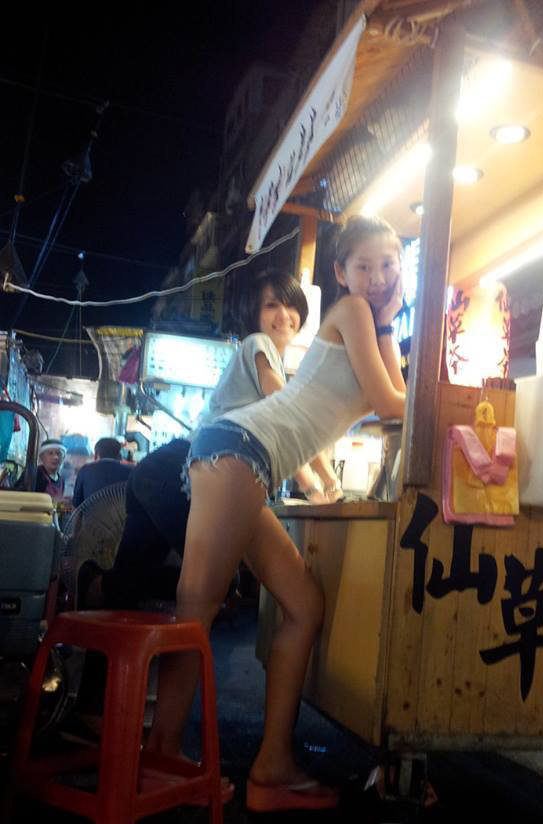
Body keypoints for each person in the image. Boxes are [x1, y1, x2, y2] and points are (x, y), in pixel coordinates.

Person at [146, 215, 406, 813]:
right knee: (197, 606)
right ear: (341, 273)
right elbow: (393, 401)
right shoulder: (353, 311)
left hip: (246, 459)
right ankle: (160, 757)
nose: (377, 277)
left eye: (388, 265)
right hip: (239, 449)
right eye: (364, 266)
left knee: (304, 605)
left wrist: (392, 325)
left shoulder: (376, 326)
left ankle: (272, 767)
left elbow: (395, 400)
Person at [79, 267, 339, 611]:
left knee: (125, 588)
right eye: (271, 305)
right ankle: (98, 589)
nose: (283, 315)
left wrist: (321, 480)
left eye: (290, 306)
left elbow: (290, 424)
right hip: (182, 471)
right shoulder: (257, 344)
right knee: (219, 581)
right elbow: (287, 412)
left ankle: (91, 588)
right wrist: (317, 486)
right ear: (253, 313)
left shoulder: (268, 361)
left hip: (158, 472)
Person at [72, 437, 134, 508]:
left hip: (92, 514)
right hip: (121, 514)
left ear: (96, 455)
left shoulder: (85, 470)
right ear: (119, 456)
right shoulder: (130, 471)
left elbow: (77, 503)